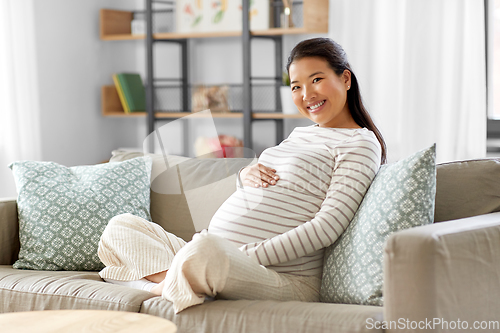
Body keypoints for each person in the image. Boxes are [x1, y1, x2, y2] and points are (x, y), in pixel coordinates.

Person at [97, 37, 387, 314]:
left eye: (317, 80)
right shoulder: (301, 134)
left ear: (345, 79)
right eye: (296, 86)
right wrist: (245, 175)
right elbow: (269, 186)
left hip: (282, 277)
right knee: (120, 226)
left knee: (205, 250)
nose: (306, 95)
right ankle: (179, 278)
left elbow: (326, 227)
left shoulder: (359, 144)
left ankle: (151, 284)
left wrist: (243, 255)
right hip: (221, 254)